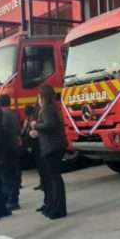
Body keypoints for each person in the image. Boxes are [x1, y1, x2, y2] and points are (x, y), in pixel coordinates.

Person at [31, 85, 68, 220]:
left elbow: (49, 125)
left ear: (43, 97)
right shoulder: (52, 108)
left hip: (52, 148)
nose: (38, 99)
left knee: (54, 179)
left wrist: (36, 125)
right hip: (54, 146)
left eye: (39, 96)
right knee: (54, 179)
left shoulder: (47, 109)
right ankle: (55, 206)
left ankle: (58, 209)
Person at [0, 94, 21, 211]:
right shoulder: (14, 113)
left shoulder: (3, 116)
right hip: (15, 147)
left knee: (6, 176)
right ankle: (14, 198)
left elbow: (3, 132)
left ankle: (10, 200)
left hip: (6, 149)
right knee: (14, 175)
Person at [20, 105, 43, 191]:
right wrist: (25, 126)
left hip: (38, 145)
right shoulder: (28, 120)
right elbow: (23, 132)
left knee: (41, 166)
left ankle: (44, 183)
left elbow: (32, 132)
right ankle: (42, 182)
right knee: (39, 166)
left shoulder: (35, 120)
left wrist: (28, 128)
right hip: (33, 146)